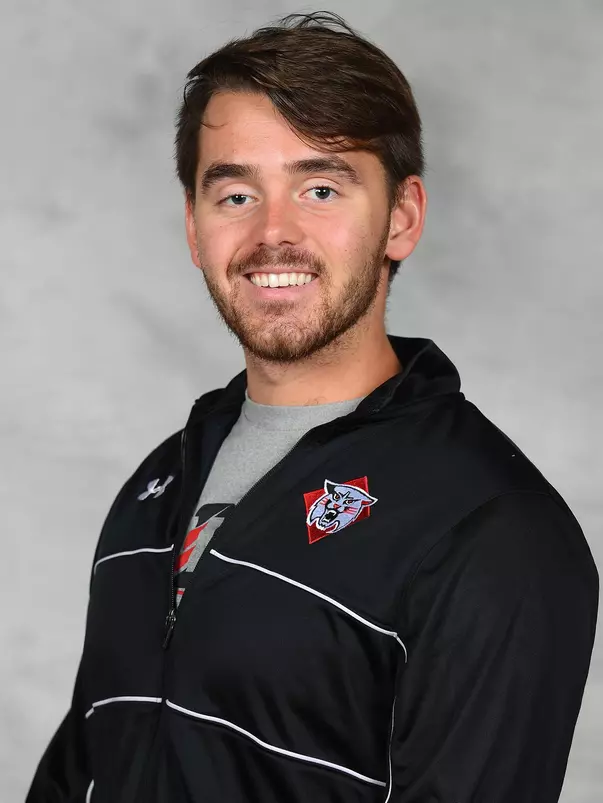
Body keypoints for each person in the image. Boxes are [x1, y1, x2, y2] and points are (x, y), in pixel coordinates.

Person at [27, 11, 598, 803]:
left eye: (320, 188)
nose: (273, 233)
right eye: (235, 193)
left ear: (401, 217)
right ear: (193, 225)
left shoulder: (490, 529)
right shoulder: (157, 487)